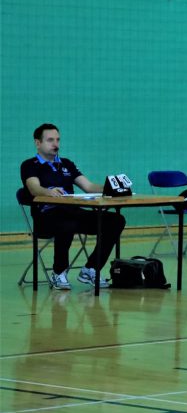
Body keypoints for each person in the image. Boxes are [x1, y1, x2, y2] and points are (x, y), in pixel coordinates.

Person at [20, 123, 126, 289]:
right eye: (50, 140)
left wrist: (112, 187)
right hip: (46, 218)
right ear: (37, 143)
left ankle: (91, 269)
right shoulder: (29, 165)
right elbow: (34, 188)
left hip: (72, 212)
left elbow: (89, 187)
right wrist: (48, 192)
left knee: (116, 220)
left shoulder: (67, 164)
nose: (56, 144)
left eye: (58, 140)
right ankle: (59, 272)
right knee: (67, 224)